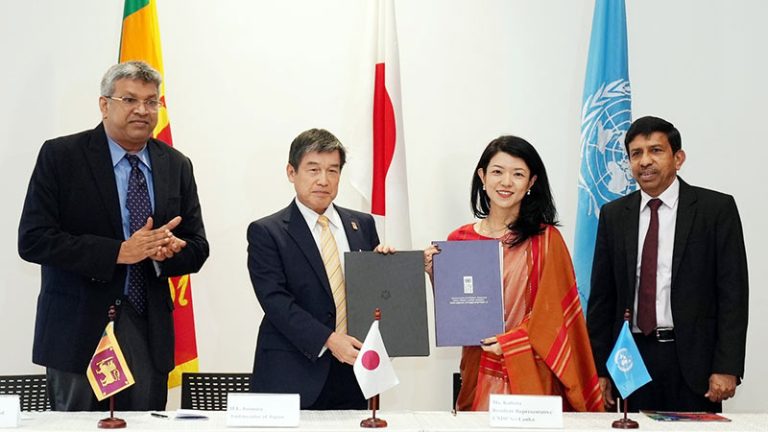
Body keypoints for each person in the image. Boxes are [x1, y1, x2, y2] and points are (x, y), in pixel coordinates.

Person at [17, 61, 209, 411]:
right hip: (76, 330)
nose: (142, 110)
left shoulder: (176, 164)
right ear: (104, 105)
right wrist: (118, 252)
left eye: (151, 101)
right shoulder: (62, 156)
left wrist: (170, 251)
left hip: (147, 330)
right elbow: (34, 239)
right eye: (130, 99)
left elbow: (197, 246)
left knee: (144, 425)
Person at [425, 136, 603, 412]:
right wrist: (434, 273)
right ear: (482, 177)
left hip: (533, 376)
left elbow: (557, 317)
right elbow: (459, 312)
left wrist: (510, 342)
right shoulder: (459, 240)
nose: (506, 182)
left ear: (531, 182)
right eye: (497, 171)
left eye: (518, 174)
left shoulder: (547, 240)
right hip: (477, 370)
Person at [587, 116, 748, 412]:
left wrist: (727, 365)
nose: (645, 161)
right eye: (636, 153)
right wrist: (599, 369)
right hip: (630, 359)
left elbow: (733, 294)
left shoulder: (715, 210)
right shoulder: (614, 215)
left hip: (693, 362)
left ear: (678, 158)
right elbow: (602, 299)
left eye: (656, 150)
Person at [247, 128, 393, 410]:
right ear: (291, 172)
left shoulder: (362, 225)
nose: (323, 180)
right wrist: (329, 340)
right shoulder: (267, 232)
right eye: (313, 169)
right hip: (293, 373)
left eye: (332, 170)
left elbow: (372, 295)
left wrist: (386, 268)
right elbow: (275, 302)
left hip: (354, 373)